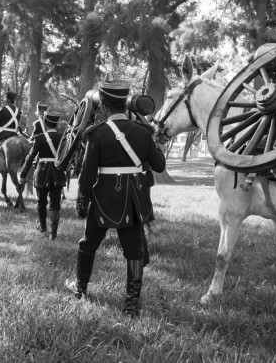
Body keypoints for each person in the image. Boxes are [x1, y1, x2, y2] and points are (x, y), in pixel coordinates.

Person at [65, 80, 166, 318]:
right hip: (133, 199)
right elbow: (159, 164)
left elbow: (88, 174)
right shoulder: (143, 132)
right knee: (134, 251)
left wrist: (82, 202)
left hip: (103, 199)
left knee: (88, 244)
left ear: (104, 106)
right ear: (125, 103)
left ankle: (80, 288)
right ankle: (132, 304)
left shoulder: (97, 133)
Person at [18, 106, 66, 240]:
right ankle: (53, 233)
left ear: (45, 122)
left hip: (42, 173)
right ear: (56, 123)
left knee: (41, 202)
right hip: (57, 172)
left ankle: (43, 227)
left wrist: (22, 174)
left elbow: (30, 157)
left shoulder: (39, 138)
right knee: (55, 204)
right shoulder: (62, 138)